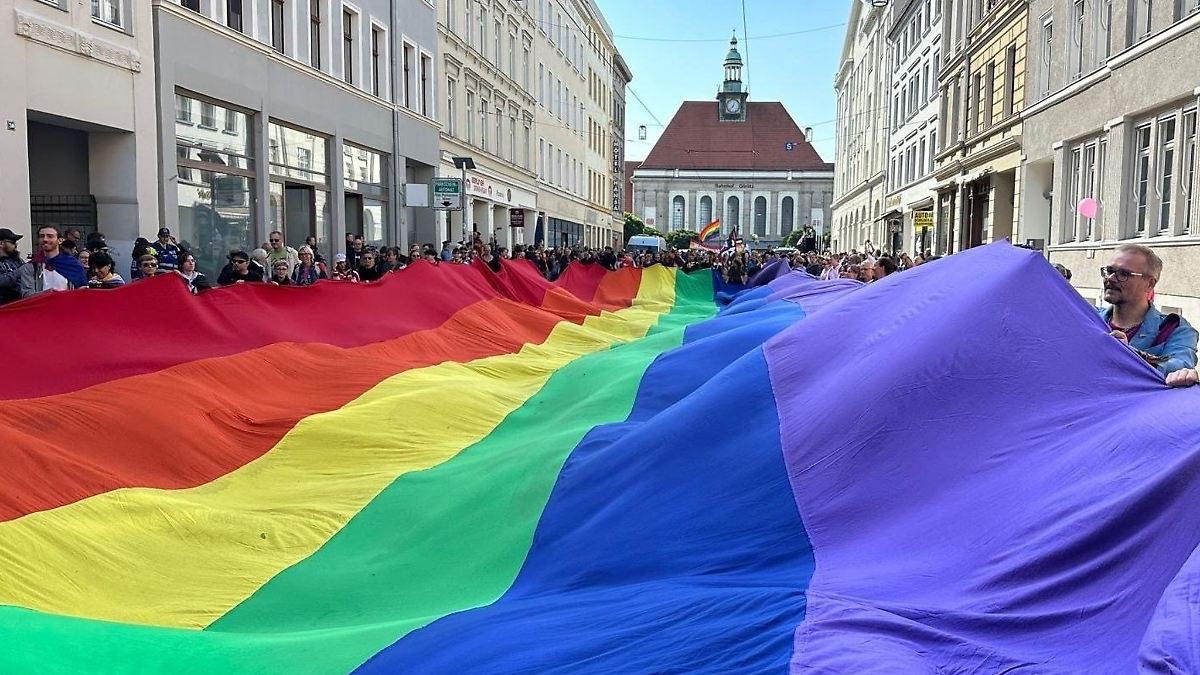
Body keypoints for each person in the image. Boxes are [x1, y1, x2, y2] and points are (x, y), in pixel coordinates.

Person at [1098, 244, 1197, 377]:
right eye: (1109, 271)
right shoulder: (1090, 319)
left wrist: (1130, 355)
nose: (1110, 278)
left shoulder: (1172, 328)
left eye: (1124, 274)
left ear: (1150, 283)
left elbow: (1180, 365)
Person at [0, 225, 87, 298]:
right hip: (41, 313)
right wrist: (48, 295)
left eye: (50, 236)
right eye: (42, 236)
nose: (45, 239)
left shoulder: (73, 265)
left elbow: (82, 291)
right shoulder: (31, 267)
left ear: (60, 240)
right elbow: (27, 294)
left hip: (67, 311)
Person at [0, 228, 24, 304]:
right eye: (12, 242)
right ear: (1, 243)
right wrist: (21, 271)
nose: (16, 245)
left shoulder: (17, 259)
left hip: (20, 303)